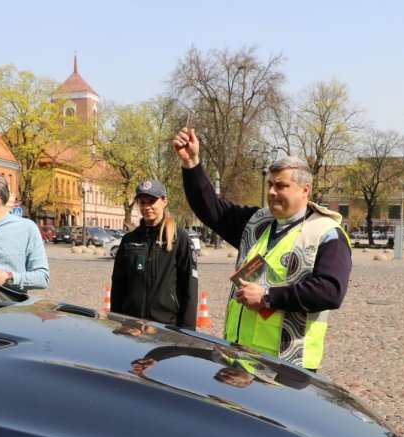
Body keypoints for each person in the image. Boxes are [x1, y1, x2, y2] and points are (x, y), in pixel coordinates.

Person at [172, 127, 352, 372]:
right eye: (270, 184)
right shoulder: (257, 222)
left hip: (288, 366)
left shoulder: (327, 233)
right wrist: (192, 163)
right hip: (239, 356)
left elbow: (330, 291)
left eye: (281, 186)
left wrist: (268, 297)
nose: (271, 192)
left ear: (305, 190)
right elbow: (211, 209)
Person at [110, 179, 198, 329]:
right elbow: (118, 286)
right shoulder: (129, 240)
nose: (147, 207)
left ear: (164, 201)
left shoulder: (180, 238)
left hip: (167, 326)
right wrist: (116, 322)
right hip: (132, 326)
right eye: (142, 202)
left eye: (152, 201)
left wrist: (188, 331)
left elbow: (189, 287)